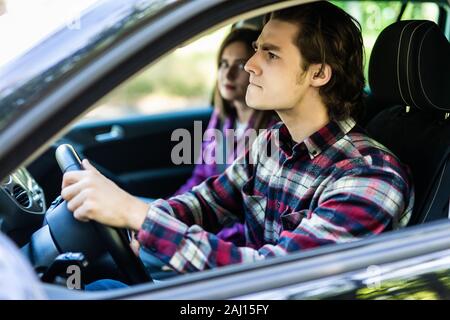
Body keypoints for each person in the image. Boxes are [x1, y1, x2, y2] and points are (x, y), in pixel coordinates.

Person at [61, 1, 414, 276]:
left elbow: (275, 277)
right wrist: (141, 218)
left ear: (318, 73)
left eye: (271, 55)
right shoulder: (273, 141)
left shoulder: (371, 177)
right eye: (257, 49)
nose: (250, 65)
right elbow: (208, 202)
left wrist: (138, 215)